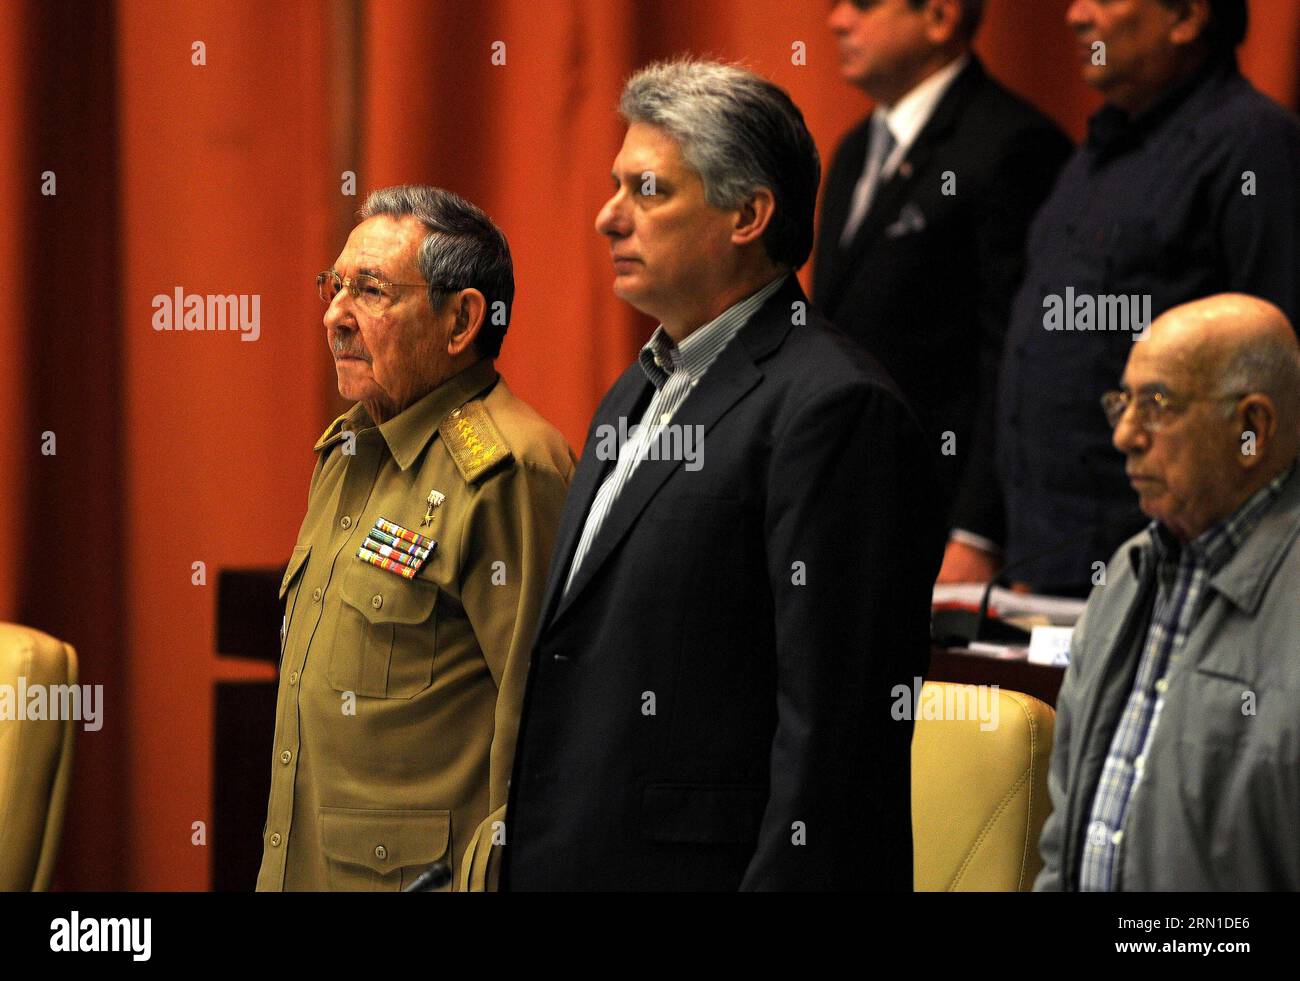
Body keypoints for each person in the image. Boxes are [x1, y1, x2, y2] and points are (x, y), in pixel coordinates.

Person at [502, 60, 944, 891]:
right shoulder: (633, 389)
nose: (607, 217)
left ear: (748, 215)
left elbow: (835, 739)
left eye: (648, 191)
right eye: (614, 187)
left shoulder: (835, 409)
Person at [256, 185, 574, 891]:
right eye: (333, 285)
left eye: (369, 290)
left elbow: (553, 734)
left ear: (461, 320)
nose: (335, 315)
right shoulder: (348, 450)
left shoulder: (510, 469)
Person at [951, 0, 1300, 593]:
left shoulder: (1255, 144)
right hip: (1048, 565)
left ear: (1187, 17)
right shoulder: (1097, 151)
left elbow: (1279, 362)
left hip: (1174, 570)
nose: (1075, 16)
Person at [1036, 293, 1300, 890]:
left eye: (1157, 404)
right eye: (1121, 403)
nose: (1125, 435)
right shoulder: (1126, 577)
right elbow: (1061, 850)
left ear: (1251, 430)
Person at [816, 0, 1070, 557]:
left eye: (861, 4)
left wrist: (977, 532)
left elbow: (1016, 354)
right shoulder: (855, 147)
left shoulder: (1012, 144)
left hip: (940, 516)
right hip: (846, 501)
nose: (836, 21)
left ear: (938, 16)